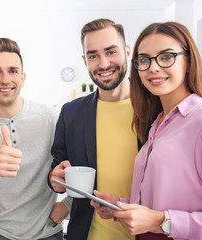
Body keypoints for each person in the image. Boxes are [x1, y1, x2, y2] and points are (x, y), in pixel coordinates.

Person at [92, 22, 202, 240]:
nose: (153, 68)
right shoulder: (157, 123)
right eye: (144, 60)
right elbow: (158, 206)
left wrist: (160, 221)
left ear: (189, 61)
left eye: (166, 57)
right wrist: (122, 206)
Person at [0, 37, 70, 240]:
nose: (5, 79)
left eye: (12, 71)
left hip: (45, 231)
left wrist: (68, 204)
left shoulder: (51, 119)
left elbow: (82, 163)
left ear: (22, 77)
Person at [48, 18, 139, 240]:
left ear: (127, 51)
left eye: (111, 52)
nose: (104, 64)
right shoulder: (71, 113)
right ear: (85, 61)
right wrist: (54, 178)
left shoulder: (155, 109)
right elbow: (57, 168)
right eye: (93, 56)